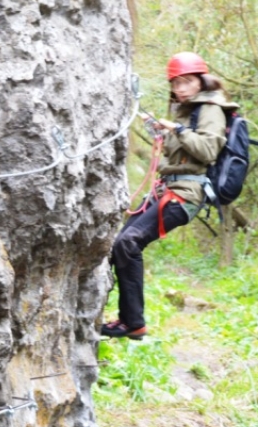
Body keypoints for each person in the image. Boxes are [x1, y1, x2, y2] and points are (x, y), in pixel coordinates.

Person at [102, 52, 238, 340]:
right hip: (168, 188)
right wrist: (162, 132)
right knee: (119, 245)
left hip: (186, 194)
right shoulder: (188, 111)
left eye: (187, 82)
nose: (180, 89)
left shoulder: (210, 109)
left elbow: (207, 151)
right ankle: (127, 318)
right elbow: (181, 150)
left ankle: (133, 323)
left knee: (128, 243)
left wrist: (177, 128)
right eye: (176, 84)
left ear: (201, 81)